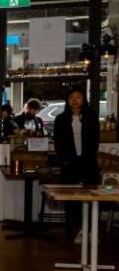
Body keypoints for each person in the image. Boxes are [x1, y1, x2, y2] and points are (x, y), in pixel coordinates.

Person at [54, 87, 100, 240]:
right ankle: (73, 228)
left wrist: (90, 157)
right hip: (69, 162)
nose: (75, 100)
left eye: (78, 97)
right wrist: (64, 160)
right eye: (72, 97)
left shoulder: (91, 117)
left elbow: (95, 140)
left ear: (83, 99)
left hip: (88, 161)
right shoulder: (61, 119)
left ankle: (90, 229)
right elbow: (58, 142)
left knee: (90, 194)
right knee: (71, 197)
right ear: (67, 100)